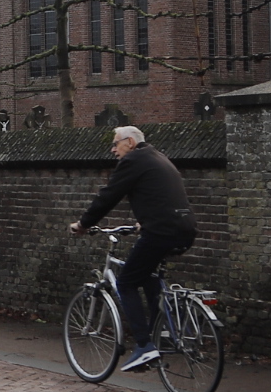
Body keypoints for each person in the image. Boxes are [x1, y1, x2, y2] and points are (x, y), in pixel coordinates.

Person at [69, 124, 197, 373]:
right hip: (185, 228)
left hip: (161, 231)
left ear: (129, 142)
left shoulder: (134, 160)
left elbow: (108, 196)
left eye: (116, 143)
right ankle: (166, 331)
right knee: (148, 276)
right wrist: (144, 221)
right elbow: (163, 195)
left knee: (126, 282)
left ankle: (144, 347)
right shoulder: (158, 157)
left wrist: (84, 224)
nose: (113, 149)